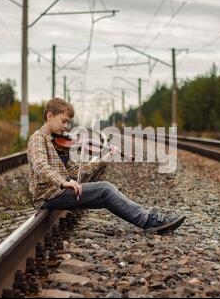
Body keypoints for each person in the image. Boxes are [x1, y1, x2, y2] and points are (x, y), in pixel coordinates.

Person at [27, 98, 186, 234]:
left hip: (59, 192)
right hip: (48, 195)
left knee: (105, 194)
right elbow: (40, 165)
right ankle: (148, 221)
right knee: (105, 188)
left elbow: (75, 171)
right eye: (64, 121)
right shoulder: (38, 138)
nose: (66, 126)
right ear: (49, 116)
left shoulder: (59, 141)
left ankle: (149, 219)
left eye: (68, 122)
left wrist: (106, 158)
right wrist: (63, 182)